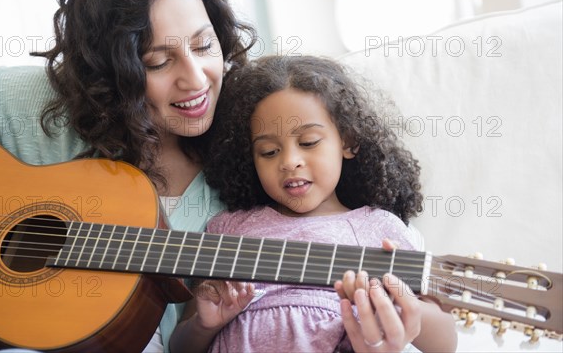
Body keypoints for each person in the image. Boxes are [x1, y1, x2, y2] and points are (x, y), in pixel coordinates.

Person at [0, 0, 256, 351]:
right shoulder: (33, 102)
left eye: (205, 45)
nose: (195, 77)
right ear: (110, 73)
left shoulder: (247, 168)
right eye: (158, 62)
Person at [170, 55, 458, 352]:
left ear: (347, 141)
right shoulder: (230, 229)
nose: (289, 162)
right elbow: (180, 347)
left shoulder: (377, 229)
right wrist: (205, 324)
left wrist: (396, 303)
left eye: (308, 142)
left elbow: (445, 342)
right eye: (269, 151)